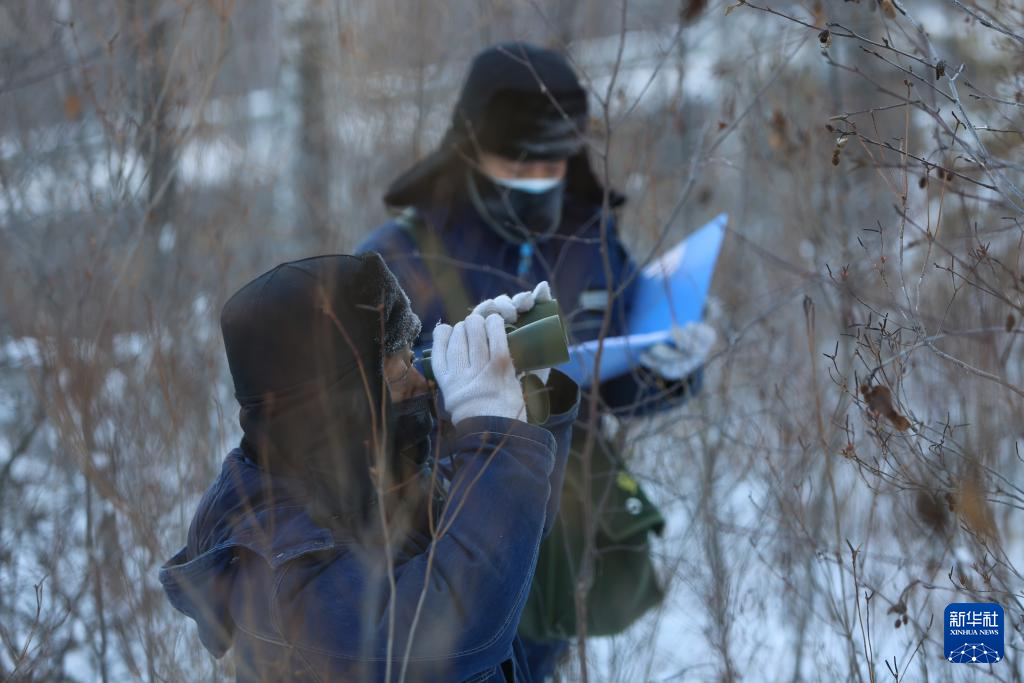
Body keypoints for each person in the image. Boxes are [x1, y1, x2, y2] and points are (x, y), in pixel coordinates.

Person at [358, 42, 714, 679]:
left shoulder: (589, 237)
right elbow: (356, 403)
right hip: (442, 550)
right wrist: (456, 385)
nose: (540, 179)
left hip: (559, 545)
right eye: (519, 161)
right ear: (468, 146)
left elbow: (618, 382)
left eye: (555, 161)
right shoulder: (399, 255)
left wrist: (669, 369)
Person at [159, 252, 580, 682]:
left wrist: (521, 398)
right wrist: (494, 438)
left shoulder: (360, 478)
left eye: (413, 359)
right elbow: (451, 637)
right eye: (398, 375)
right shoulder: (278, 566)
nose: (420, 382)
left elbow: (505, 540)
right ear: (337, 407)